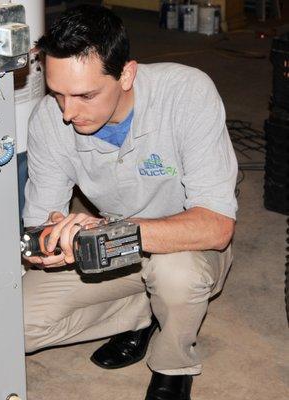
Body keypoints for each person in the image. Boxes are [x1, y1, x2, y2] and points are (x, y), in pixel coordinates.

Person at [22, 5, 237, 400]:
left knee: (176, 275)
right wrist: (58, 237)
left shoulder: (187, 93)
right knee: (17, 325)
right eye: (58, 95)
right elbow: (38, 227)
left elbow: (217, 227)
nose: (68, 113)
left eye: (85, 95)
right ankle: (144, 313)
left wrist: (112, 232)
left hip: (186, 248)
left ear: (127, 74)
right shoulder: (48, 120)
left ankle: (173, 361)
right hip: (114, 246)